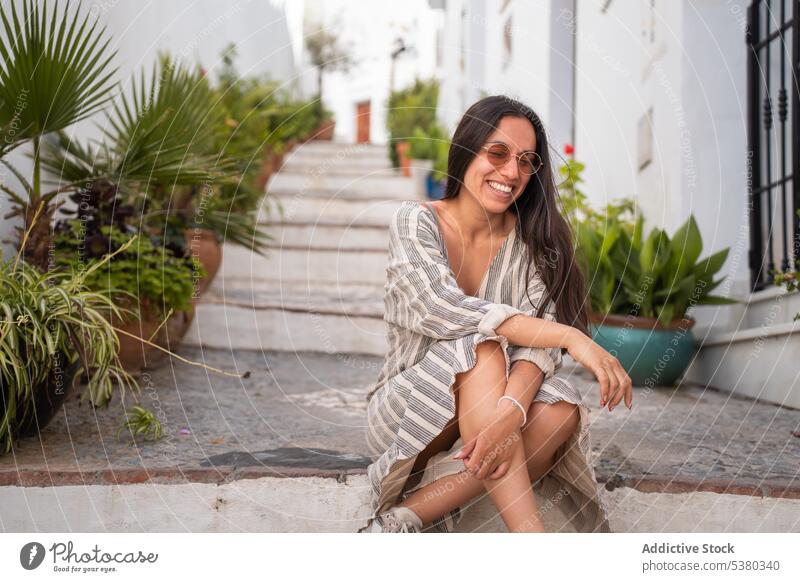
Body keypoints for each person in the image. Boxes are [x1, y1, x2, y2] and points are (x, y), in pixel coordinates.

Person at [359, 95, 632, 533]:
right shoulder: (416, 221)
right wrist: (569, 336)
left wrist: (509, 412)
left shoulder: (530, 244)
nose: (511, 173)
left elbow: (535, 351)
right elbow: (441, 308)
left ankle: (403, 520)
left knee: (561, 407)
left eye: (526, 162)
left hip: (487, 410)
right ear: (466, 149)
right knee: (482, 348)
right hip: (408, 410)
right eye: (498, 153)